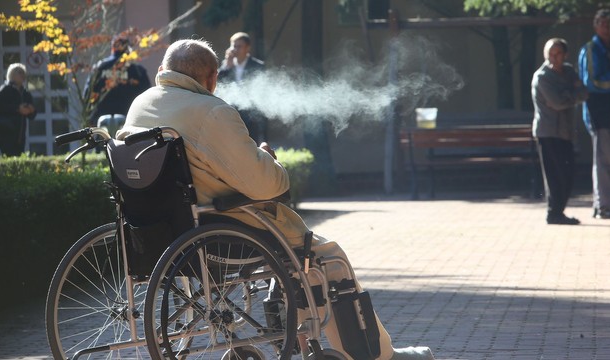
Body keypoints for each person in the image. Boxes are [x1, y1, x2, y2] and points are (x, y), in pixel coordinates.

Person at [117, 39, 435, 360]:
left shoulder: (139, 106)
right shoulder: (211, 112)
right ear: (213, 78)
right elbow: (268, 185)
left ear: (163, 71)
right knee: (328, 257)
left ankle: (290, 329)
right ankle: (380, 355)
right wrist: (270, 159)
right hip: (221, 233)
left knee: (300, 260)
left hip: (159, 235)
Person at [531, 38, 589, 225]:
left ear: (565, 55)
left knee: (568, 173)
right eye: (550, 53)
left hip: (565, 132)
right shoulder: (542, 77)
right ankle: (553, 213)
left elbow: (584, 93)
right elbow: (556, 102)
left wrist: (568, 95)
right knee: (555, 175)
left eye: (557, 53)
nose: (553, 58)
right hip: (548, 132)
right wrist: (571, 94)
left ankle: (559, 212)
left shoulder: (569, 71)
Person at [578, 8, 610, 220]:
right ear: (595, 26)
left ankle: (604, 204)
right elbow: (592, 83)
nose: (606, 27)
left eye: (609, 23)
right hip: (601, 114)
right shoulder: (591, 50)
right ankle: (604, 207)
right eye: (602, 23)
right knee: (605, 162)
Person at [84, 36, 151, 125]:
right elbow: (148, 98)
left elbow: (87, 95)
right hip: (130, 121)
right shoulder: (137, 71)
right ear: (128, 49)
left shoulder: (99, 68)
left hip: (101, 122)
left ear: (112, 48)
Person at [217, 32, 268, 144]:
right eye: (233, 46)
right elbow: (217, 84)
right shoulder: (227, 65)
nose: (235, 49)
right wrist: (226, 66)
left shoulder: (257, 66)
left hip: (251, 116)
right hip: (231, 114)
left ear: (247, 48)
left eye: (239, 46)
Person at [0, 63, 36, 156]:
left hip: (20, 136)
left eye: (24, 73)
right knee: (9, 158)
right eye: (20, 73)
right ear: (12, 74)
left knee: (18, 160)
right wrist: (17, 109)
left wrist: (31, 110)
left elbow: (32, 115)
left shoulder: (25, 93)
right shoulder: (5, 90)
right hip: (5, 133)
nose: (23, 75)